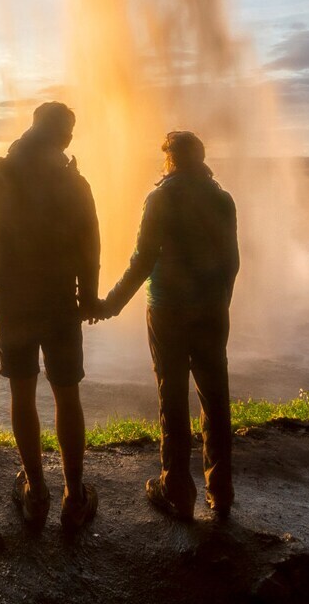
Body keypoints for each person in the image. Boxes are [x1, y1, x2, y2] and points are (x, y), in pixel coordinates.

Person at [0, 103, 102, 530]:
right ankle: (75, 497)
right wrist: (88, 298)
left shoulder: (2, 173)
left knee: (22, 392)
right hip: (59, 300)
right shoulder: (76, 184)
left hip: (13, 299)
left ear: (33, 127)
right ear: (65, 138)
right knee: (66, 394)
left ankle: (35, 493)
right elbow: (91, 246)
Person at [92, 130, 239, 522]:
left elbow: (142, 260)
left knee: (171, 395)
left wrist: (110, 305)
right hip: (211, 311)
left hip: (167, 310)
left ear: (170, 160)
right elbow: (231, 262)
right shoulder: (222, 199)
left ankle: (176, 490)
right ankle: (220, 492)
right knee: (215, 397)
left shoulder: (160, 198)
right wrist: (220, 302)